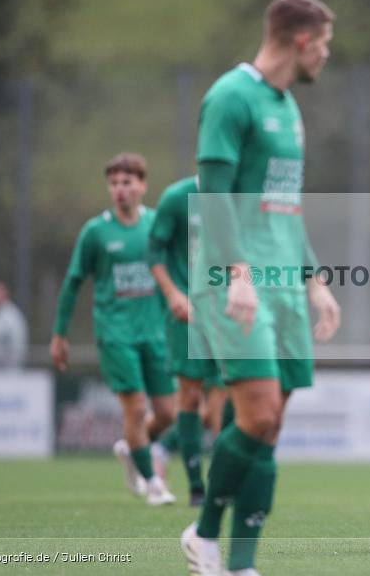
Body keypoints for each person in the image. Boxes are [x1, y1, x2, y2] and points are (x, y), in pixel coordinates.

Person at [181, 0, 341, 576]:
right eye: (323, 44)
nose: (326, 55)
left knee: (268, 427)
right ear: (301, 41)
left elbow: (284, 205)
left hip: (285, 286)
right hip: (234, 283)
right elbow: (214, 196)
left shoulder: (288, 107)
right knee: (257, 416)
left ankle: (242, 565)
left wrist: (315, 280)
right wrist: (238, 275)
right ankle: (203, 537)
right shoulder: (229, 97)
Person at [50, 153, 177, 506]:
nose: (121, 190)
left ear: (143, 186)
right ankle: (152, 482)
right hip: (115, 333)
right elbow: (74, 281)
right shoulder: (96, 232)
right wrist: (60, 333)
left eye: (128, 182)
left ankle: (130, 447)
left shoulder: (156, 225)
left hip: (154, 332)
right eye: (115, 184)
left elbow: (174, 269)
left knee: (167, 414)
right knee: (135, 409)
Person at [148, 174, 228, 506]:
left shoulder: (236, 194)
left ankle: (167, 450)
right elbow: (154, 254)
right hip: (187, 314)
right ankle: (197, 487)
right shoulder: (176, 196)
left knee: (219, 410)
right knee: (191, 397)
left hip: (225, 313)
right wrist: (172, 294)